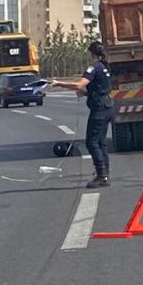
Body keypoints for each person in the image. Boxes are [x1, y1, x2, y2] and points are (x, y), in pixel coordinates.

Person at [50, 42, 114, 189]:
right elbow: (99, 89)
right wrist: (86, 93)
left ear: (92, 53)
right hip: (107, 106)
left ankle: (102, 176)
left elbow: (80, 84)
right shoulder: (105, 67)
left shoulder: (94, 67)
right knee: (101, 142)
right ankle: (104, 171)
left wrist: (59, 83)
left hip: (100, 109)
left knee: (92, 143)